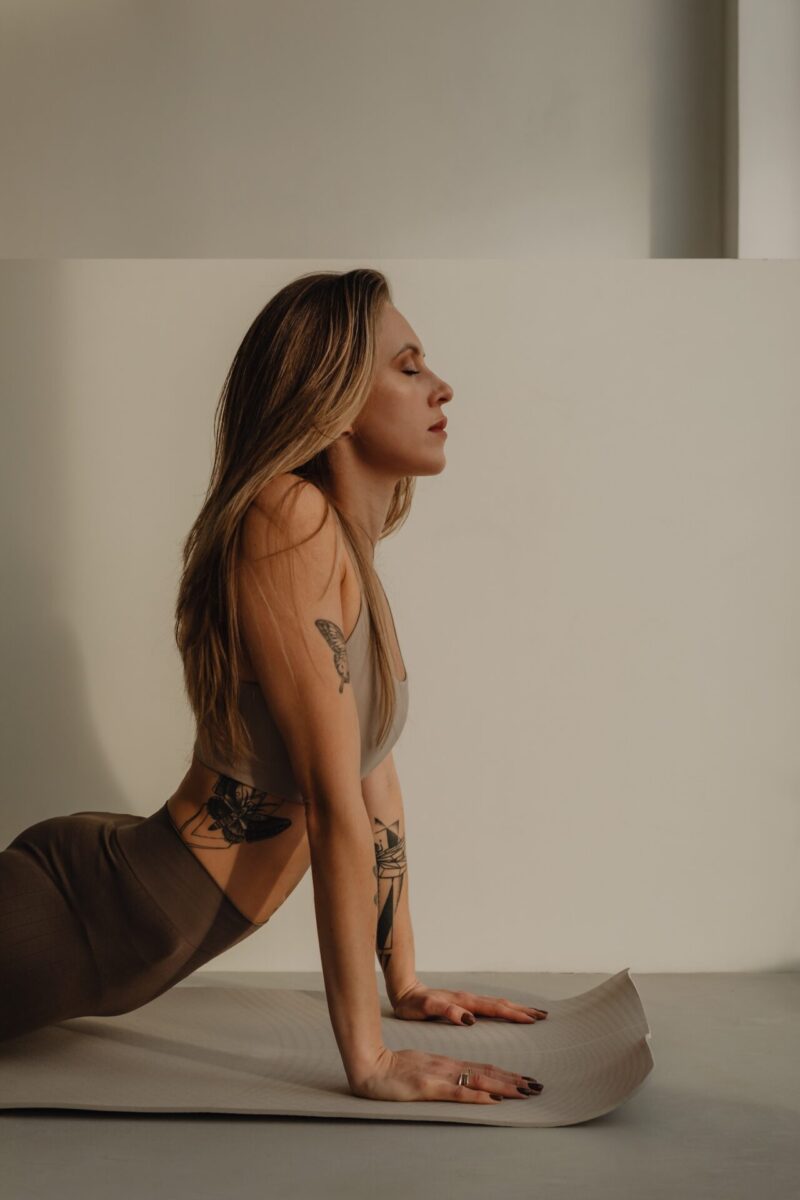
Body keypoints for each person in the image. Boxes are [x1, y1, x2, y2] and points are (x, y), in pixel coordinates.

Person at [0, 268, 546, 1104]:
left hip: (136, 924)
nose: (442, 386)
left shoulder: (352, 562)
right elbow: (330, 804)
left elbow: (376, 790)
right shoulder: (285, 519)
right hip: (86, 912)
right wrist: (368, 1061)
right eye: (408, 367)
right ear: (333, 397)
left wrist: (405, 983)